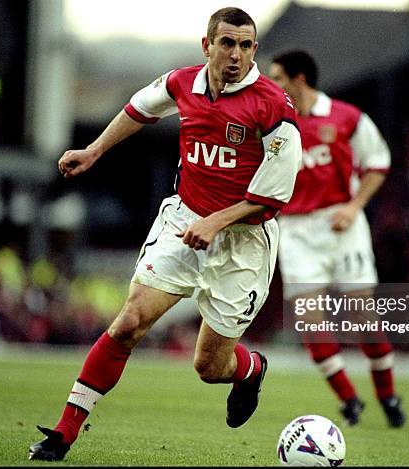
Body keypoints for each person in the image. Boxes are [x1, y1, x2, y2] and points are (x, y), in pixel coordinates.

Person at [28, 8, 302, 461]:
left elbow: (274, 199)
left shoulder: (274, 107)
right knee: (130, 321)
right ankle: (64, 432)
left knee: (209, 367)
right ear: (206, 45)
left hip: (244, 242)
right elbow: (138, 108)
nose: (237, 55)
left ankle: (250, 370)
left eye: (246, 45)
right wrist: (94, 151)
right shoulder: (181, 83)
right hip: (182, 220)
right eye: (227, 43)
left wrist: (214, 222)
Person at [269, 50, 405, 428]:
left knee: (364, 315)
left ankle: (387, 395)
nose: (271, 84)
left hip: (341, 223)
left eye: (277, 77)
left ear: (298, 79)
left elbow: (379, 162)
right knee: (310, 321)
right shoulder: (274, 122)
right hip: (295, 230)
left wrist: (355, 205)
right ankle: (349, 400)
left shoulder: (347, 117)